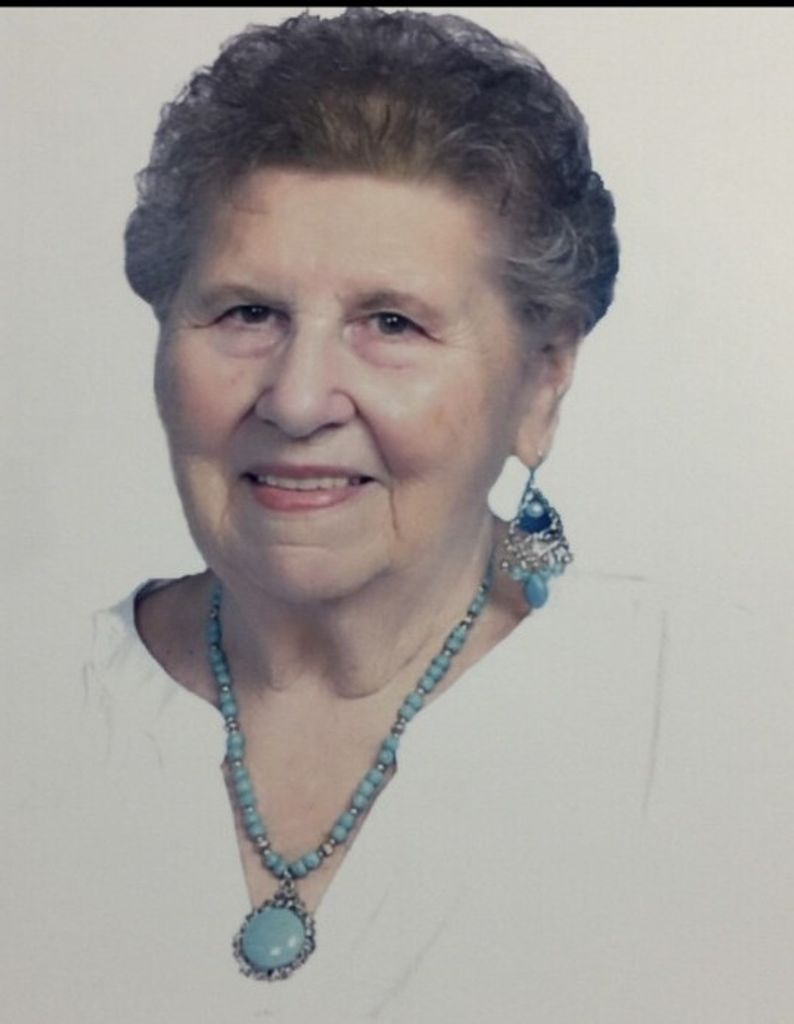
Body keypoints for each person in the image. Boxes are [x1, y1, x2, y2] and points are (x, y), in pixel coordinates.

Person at [7, 8, 793, 1023]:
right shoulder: (29, 709)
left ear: (541, 381)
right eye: (247, 312)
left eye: (392, 323)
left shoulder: (720, 725)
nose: (297, 400)